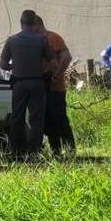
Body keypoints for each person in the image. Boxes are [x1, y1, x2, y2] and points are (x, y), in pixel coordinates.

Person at [0, 9, 55, 156]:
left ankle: (16, 150)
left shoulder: (12, 40)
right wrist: (44, 71)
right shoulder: (42, 39)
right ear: (34, 23)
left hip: (19, 83)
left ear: (21, 23)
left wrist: (15, 66)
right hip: (37, 82)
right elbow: (54, 64)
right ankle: (34, 150)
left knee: (17, 117)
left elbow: (3, 65)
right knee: (36, 118)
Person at [35, 15, 76, 156]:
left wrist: (56, 75)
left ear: (37, 25)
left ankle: (70, 149)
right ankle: (56, 151)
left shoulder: (52, 38)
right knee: (48, 121)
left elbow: (67, 57)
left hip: (55, 87)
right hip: (43, 87)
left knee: (59, 119)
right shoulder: (37, 40)